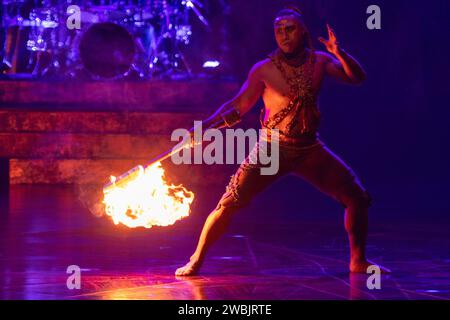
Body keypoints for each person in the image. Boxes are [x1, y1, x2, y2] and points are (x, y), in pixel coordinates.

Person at [175, 7, 390, 276]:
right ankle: (196, 259)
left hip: (309, 148)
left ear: (302, 31)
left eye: (289, 29)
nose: (284, 35)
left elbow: (357, 78)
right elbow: (238, 106)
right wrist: (204, 128)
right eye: (279, 30)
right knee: (228, 204)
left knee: (357, 197)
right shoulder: (263, 69)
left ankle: (358, 262)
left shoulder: (320, 62)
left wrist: (339, 53)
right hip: (271, 149)